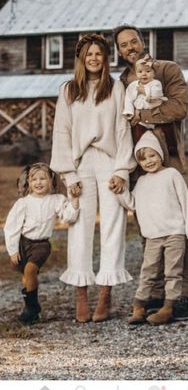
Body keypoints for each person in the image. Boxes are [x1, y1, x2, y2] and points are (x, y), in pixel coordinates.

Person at [50, 33, 136, 324]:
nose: (94, 59)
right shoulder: (68, 90)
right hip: (81, 162)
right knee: (80, 228)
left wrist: (122, 170)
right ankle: (81, 294)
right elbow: (61, 132)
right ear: (81, 58)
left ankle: (106, 294)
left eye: (99, 54)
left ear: (106, 58)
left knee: (113, 225)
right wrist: (68, 173)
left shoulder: (115, 89)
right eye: (89, 55)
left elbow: (124, 131)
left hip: (110, 161)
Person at [113, 24, 188, 320]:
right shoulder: (121, 82)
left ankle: (182, 295)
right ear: (119, 51)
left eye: (133, 41)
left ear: (142, 41)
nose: (129, 47)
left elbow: (179, 107)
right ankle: (157, 293)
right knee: (149, 226)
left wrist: (144, 115)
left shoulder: (167, 69)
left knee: (174, 226)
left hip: (167, 156)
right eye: (123, 45)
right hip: (137, 161)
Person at [116, 131, 188, 325]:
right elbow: (132, 203)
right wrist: (119, 191)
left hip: (174, 234)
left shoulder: (172, 174)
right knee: (148, 272)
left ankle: (168, 307)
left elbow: (186, 202)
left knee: (173, 272)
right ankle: (138, 306)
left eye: (152, 155)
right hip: (153, 237)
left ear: (160, 154)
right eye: (143, 159)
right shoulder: (142, 181)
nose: (149, 161)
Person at [4, 163, 80, 325]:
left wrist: (74, 201)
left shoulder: (56, 200)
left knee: (30, 270)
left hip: (41, 245)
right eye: (34, 179)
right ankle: (31, 308)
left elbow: (68, 218)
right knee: (26, 276)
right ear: (28, 183)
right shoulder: (23, 203)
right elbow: (11, 227)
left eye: (43, 178)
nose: (39, 182)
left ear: (51, 181)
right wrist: (12, 250)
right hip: (23, 243)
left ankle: (32, 308)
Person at [123, 54, 168, 126]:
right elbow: (128, 98)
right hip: (137, 111)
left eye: (148, 71)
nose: (144, 74)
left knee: (155, 130)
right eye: (140, 72)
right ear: (136, 74)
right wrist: (129, 111)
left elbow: (156, 96)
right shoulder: (133, 85)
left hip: (152, 111)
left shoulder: (155, 83)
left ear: (154, 74)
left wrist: (144, 91)